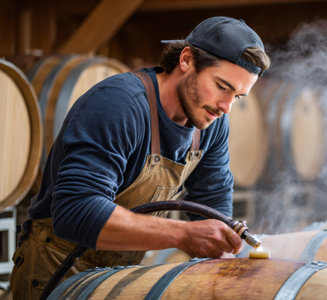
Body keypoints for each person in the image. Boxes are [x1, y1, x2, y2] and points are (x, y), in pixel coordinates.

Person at [10, 16, 270, 299]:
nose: (226, 107)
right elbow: (75, 211)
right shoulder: (119, 105)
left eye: (238, 97)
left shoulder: (211, 121)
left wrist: (223, 246)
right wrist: (184, 235)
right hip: (56, 271)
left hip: (118, 275)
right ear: (186, 60)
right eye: (222, 86)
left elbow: (213, 202)